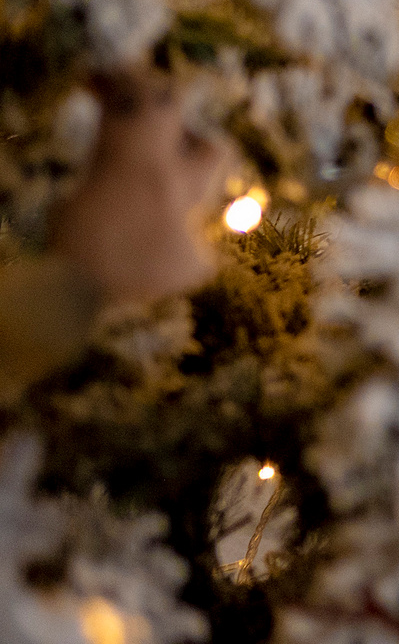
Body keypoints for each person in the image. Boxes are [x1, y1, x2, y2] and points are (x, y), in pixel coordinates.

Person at [1, 72, 230, 400]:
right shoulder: (110, 169)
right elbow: (212, 159)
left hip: (142, 271)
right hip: (121, 273)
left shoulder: (106, 173)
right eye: (127, 106)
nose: (150, 115)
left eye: (164, 98)